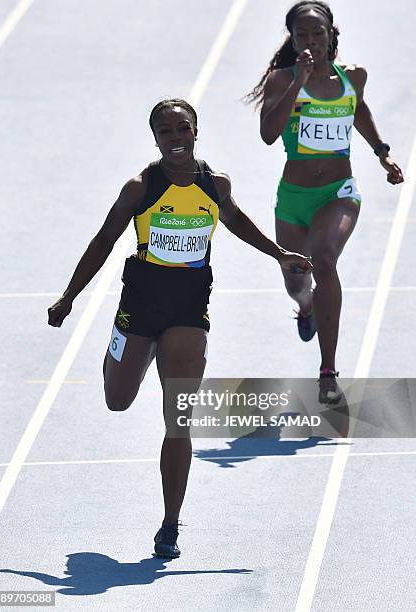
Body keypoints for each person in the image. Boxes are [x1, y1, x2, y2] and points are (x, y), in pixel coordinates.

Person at [48, 98, 311, 559]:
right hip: (141, 303)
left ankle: (170, 523)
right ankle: (123, 351)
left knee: (179, 421)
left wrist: (279, 254)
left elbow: (236, 221)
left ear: (195, 132)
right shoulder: (140, 188)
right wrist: (69, 296)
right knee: (117, 400)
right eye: (165, 132)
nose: (175, 138)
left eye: (182, 129)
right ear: (155, 139)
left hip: (189, 307)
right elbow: (103, 242)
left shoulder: (214, 183)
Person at [245, 0, 404, 404]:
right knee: (297, 280)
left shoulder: (353, 77)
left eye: (318, 33)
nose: (311, 40)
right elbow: (267, 134)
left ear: (332, 33)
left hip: (338, 193)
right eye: (303, 34)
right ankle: (305, 307)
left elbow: (359, 109)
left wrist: (381, 151)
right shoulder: (282, 80)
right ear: (293, 39)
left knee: (325, 258)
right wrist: (298, 81)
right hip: (293, 199)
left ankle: (328, 371)